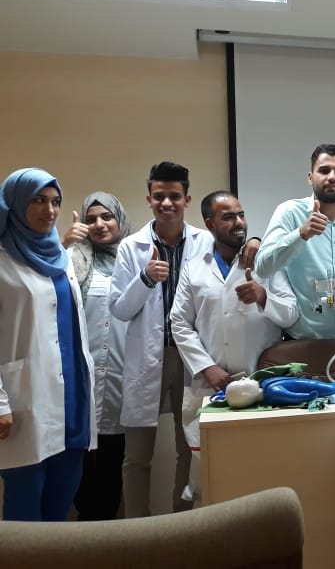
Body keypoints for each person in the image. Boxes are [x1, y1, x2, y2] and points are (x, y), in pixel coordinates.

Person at [109, 162, 244, 517]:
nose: (166, 203)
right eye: (159, 196)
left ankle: (181, 525)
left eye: (174, 196)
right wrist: (144, 279)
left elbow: (242, 246)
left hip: (192, 357)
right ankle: (137, 530)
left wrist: (256, 241)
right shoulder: (131, 247)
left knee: (190, 449)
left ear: (187, 199)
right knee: (137, 456)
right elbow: (119, 309)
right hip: (147, 358)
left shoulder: (206, 241)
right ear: (149, 200)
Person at [170, 192, 299, 503]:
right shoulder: (194, 268)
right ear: (210, 224)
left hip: (261, 385)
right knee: (213, 479)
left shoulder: (265, 263)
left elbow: (291, 313)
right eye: (228, 217)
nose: (239, 222)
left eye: (241, 215)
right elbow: (179, 322)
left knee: (261, 475)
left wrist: (263, 296)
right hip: (212, 385)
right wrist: (206, 367)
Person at [0, 168, 96, 521]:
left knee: (60, 508)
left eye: (55, 201)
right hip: (24, 401)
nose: (50, 210)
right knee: (25, 512)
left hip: (73, 399)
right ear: (14, 204)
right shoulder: (2, 261)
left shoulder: (61, 257)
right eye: (39, 200)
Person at [61, 192, 132, 521]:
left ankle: (107, 538)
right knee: (78, 467)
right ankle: (84, 538)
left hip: (120, 376)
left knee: (113, 464)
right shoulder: (72, 260)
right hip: (79, 378)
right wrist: (65, 246)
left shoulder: (135, 260)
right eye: (91, 219)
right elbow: (48, 295)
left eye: (107, 217)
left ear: (120, 220)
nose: (99, 224)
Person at [254, 144, 335, 341]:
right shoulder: (290, 212)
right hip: (301, 341)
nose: (331, 177)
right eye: (324, 170)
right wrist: (301, 234)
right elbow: (263, 268)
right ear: (310, 177)